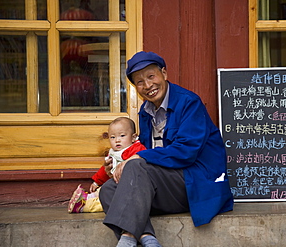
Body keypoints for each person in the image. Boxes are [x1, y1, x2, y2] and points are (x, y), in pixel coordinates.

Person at [99, 51, 234, 247]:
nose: (148, 86)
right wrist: (118, 165)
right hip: (166, 184)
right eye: (140, 82)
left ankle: (128, 239)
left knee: (137, 166)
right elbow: (145, 153)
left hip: (194, 184)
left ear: (164, 73)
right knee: (108, 190)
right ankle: (147, 238)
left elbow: (186, 152)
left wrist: (137, 158)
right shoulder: (146, 112)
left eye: (151, 76)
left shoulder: (189, 103)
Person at [67, 117, 146, 213]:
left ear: (133, 137)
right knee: (103, 191)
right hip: (115, 184)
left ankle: (84, 205)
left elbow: (144, 160)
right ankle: (87, 198)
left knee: (108, 200)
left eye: (122, 136)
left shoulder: (136, 149)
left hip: (130, 187)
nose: (117, 140)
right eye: (113, 137)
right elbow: (105, 170)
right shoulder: (113, 153)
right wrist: (96, 182)